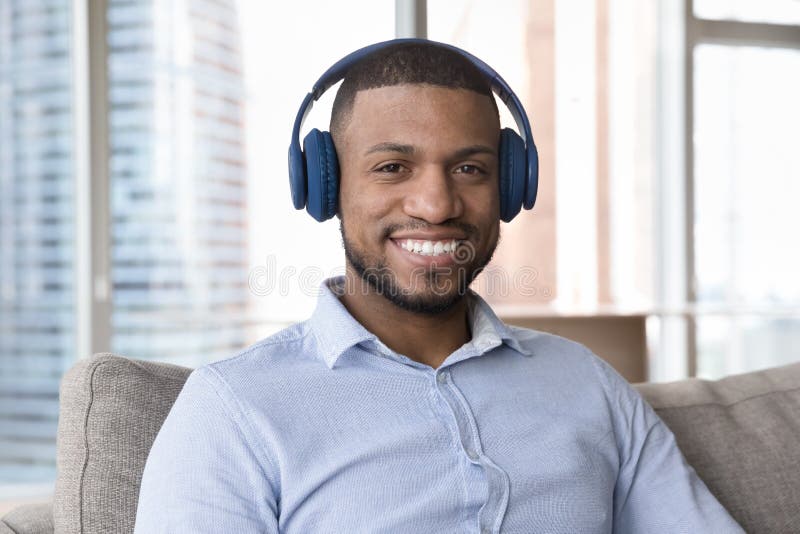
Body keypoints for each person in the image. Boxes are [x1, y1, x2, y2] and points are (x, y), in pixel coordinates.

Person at [134, 39, 742, 533]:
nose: (436, 203)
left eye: (470, 168)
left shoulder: (588, 385)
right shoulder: (232, 411)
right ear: (326, 187)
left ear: (511, 185)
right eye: (392, 167)